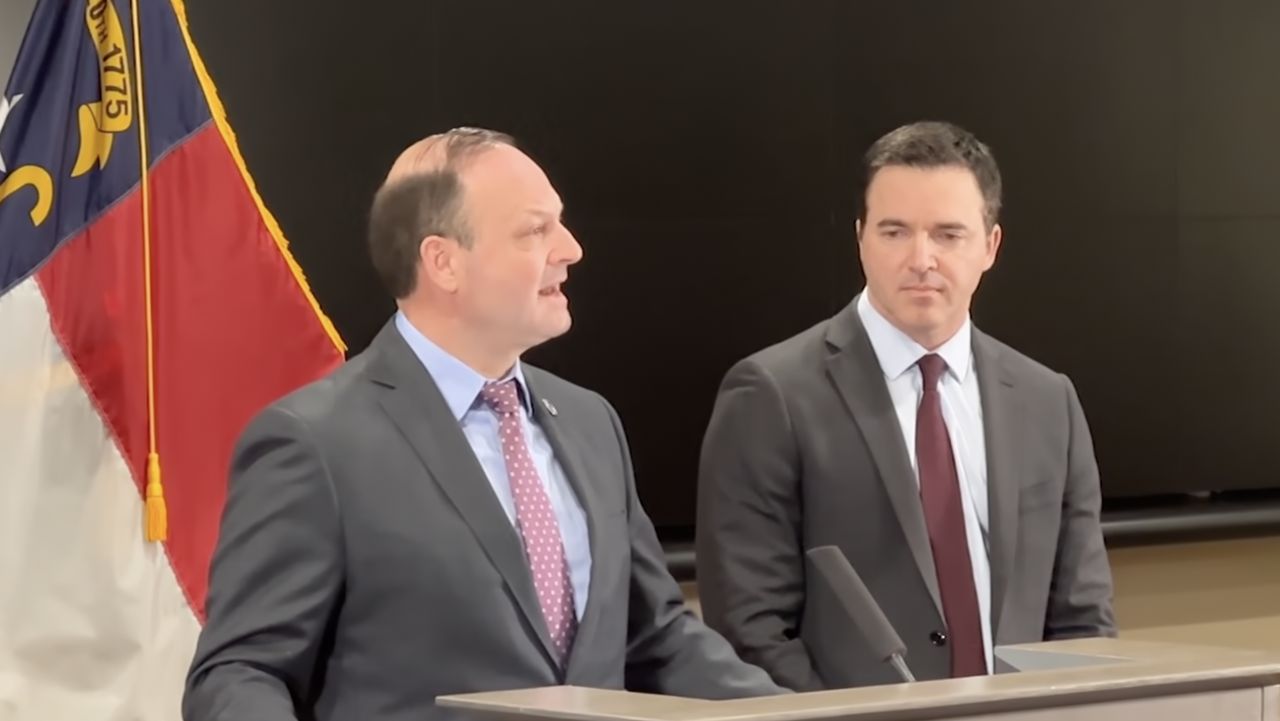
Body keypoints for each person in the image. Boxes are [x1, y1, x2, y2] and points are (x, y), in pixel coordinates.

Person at [184, 127, 784, 721]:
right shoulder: (315, 442)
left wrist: (811, 716)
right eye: (534, 230)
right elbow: (241, 673)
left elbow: (655, 638)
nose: (571, 248)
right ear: (443, 261)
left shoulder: (589, 421)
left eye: (561, 222)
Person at [696, 121, 1116, 691]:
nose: (921, 259)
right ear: (861, 237)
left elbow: (1082, 617)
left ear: (990, 246)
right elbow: (750, 628)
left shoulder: (1048, 401)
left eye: (948, 235)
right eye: (895, 232)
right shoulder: (770, 395)